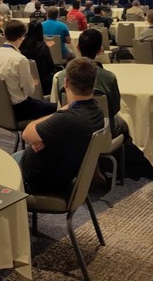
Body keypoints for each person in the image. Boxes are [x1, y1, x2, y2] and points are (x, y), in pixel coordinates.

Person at [17, 57, 105, 194]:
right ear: (94, 84)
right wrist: (47, 138)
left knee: (0, 167)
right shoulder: (97, 111)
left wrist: (62, 111)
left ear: (66, 82)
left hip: (35, 181)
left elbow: (27, 133)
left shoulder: (67, 119)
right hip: (60, 173)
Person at [56, 29, 128, 139]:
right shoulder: (109, 77)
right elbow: (115, 108)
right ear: (100, 50)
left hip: (70, 129)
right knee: (124, 125)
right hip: (103, 131)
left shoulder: (62, 76)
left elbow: (61, 104)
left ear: (77, 48)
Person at [0, 19, 57, 121]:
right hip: (19, 109)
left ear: (5, 35)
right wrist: (32, 83)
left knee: (42, 104)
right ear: (21, 37)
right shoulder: (20, 59)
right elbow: (29, 91)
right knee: (57, 107)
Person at [19, 20, 56, 95]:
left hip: (25, 82)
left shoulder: (21, 46)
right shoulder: (43, 47)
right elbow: (51, 67)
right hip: (44, 84)